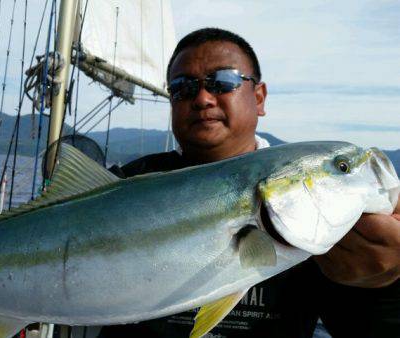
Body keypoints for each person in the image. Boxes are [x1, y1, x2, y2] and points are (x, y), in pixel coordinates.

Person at [103, 28, 400, 338]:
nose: (203, 98)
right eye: (183, 87)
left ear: (259, 97)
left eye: (223, 82)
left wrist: (386, 284)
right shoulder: (121, 186)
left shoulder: (323, 216)